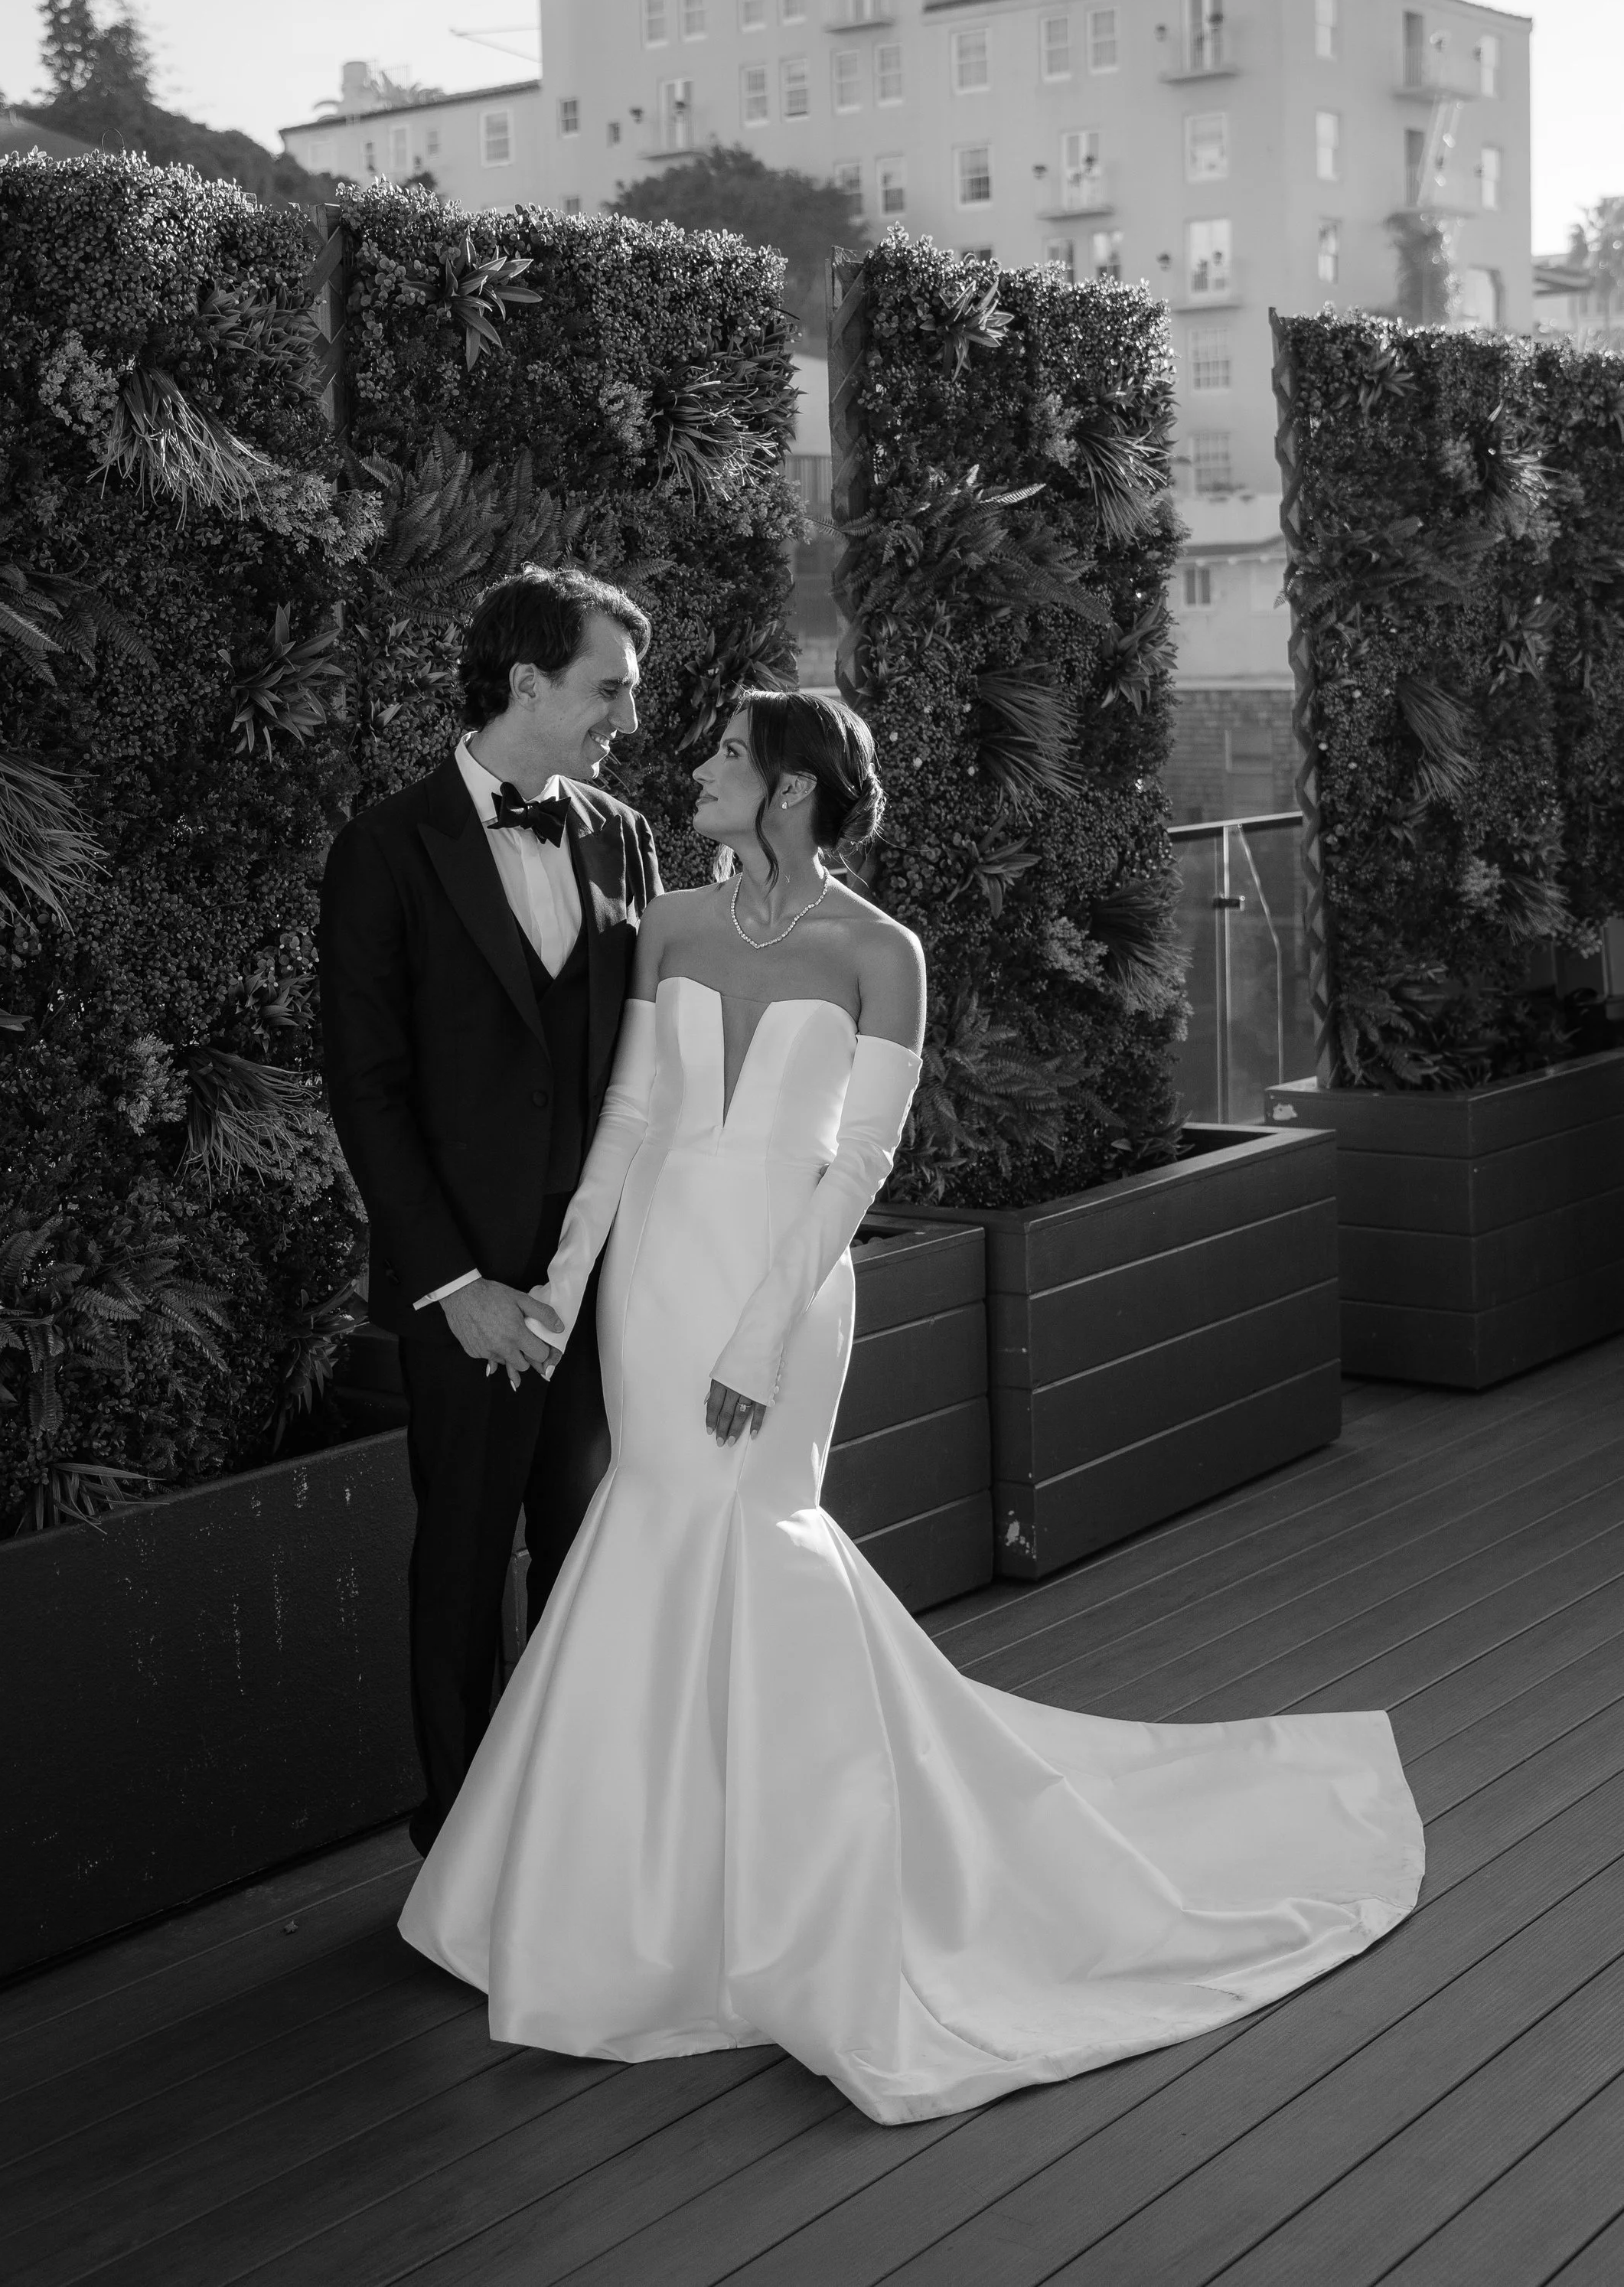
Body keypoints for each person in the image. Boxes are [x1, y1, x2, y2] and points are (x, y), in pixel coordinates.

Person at [399, 688, 1424, 2125]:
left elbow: (860, 1164)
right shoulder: (672, 926)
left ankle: (797, 1888)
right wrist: (566, 1281)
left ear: (798, 791)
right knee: (651, 1528)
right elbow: (630, 1120)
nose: (693, 769)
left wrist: (760, 1338)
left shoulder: (886, 953)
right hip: (652, 1285)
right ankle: (629, 1899)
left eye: (725, 758)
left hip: (787, 1288)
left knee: (757, 1536)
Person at [320, 565, 663, 1857]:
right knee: (460, 1566)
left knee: (584, 1553)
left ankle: (574, 1830)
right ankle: (461, 1847)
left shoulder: (623, 835)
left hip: (594, 1284)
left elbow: (637, 1065)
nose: (625, 719)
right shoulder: (384, 850)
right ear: (526, 682)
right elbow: (369, 1090)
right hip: (461, 1291)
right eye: (607, 689)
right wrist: (455, 1286)